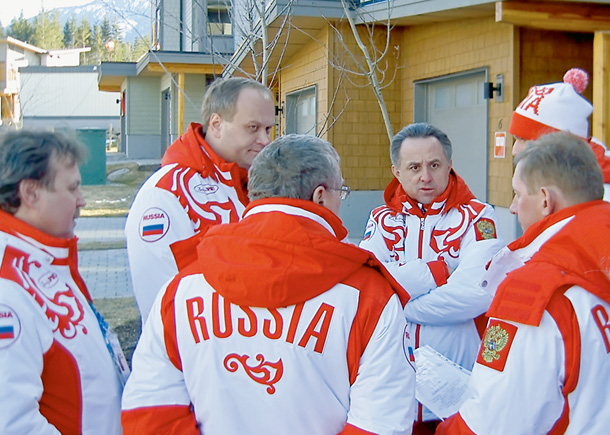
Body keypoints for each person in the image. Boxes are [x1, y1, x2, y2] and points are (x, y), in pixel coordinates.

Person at [121, 134, 416, 434]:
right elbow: (382, 425)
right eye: (342, 190)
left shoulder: (183, 287)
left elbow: (149, 412)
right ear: (320, 196)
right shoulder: (369, 297)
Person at [436, 132, 610, 434]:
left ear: (545, 200)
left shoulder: (534, 292)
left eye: (518, 194)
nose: (511, 207)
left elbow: (493, 423)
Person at [359, 123, 505, 428]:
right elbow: (368, 286)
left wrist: (397, 302)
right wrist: (437, 273)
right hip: (394, 390)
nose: (425, 176)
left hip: (455, 389)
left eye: (434, 165)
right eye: (414, 167)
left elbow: (476, 295)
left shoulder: (478, 217)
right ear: (396, 171)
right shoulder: (381, 219)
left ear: (449, 166)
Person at [0, 130, 126, 433]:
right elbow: (13, 422)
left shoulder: (43, 260)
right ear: (30, 193)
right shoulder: (8, 284)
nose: (82, 200)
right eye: (72, 188)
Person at [125, 77, 275, 323]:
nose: (265, 140)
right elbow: (161, 299)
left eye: (268, 129)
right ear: (216, 124)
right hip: (199, 354)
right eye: (253, 128)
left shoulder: (260, 185)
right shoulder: (166, 193)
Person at [509, 67, 610, 204]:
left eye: (523, 139)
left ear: (557, 145)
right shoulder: (567, 187)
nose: (514, 150)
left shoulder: (605, 197)